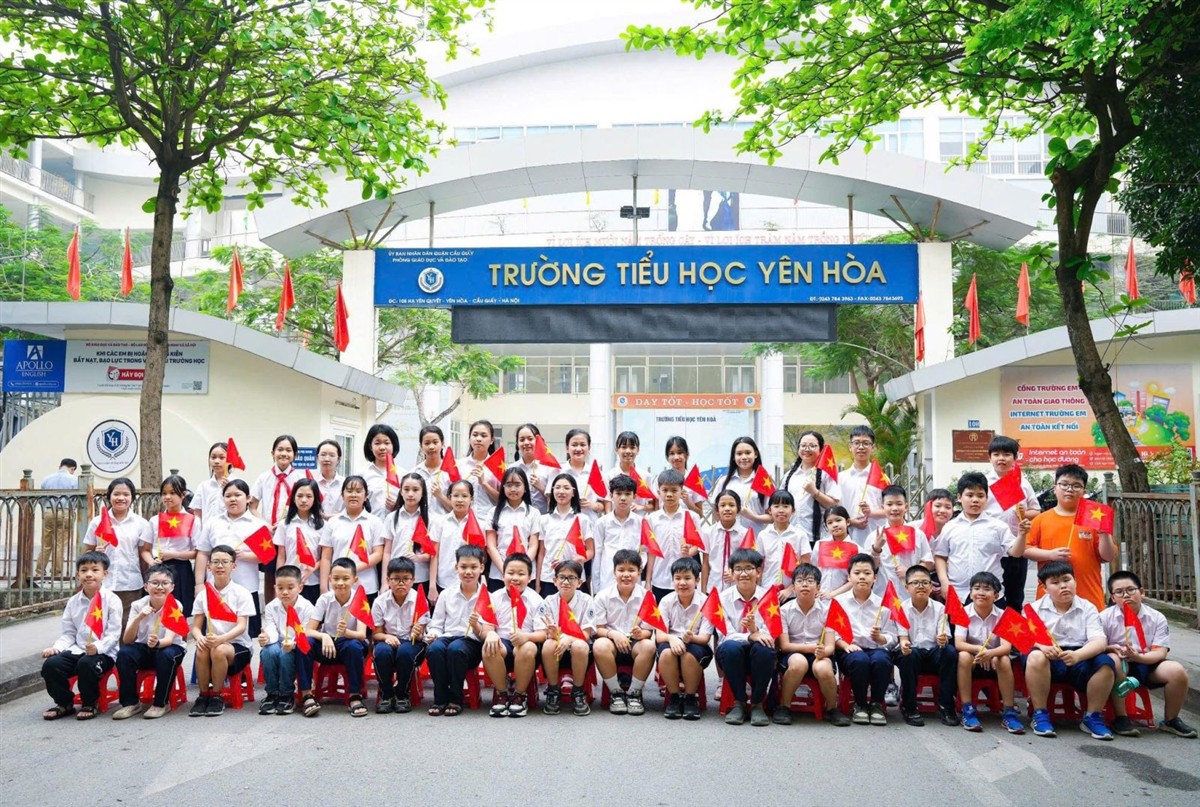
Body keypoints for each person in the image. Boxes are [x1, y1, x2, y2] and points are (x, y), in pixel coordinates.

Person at [1025, 561, 1115, 740]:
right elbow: (1023, 639)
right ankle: (1040, 714)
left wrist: (1078, 655)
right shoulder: (1033, 609)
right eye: (1055, 582)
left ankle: (1092, 717)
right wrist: (1042, 647)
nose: (1063, 586)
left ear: (1075, 581)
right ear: (1045, 588)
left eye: (1067, 580)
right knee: (1035, 656)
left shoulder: (1088, 607)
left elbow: (1099, 641)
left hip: (1079, 656)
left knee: (1106, 664)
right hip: (1048, 657)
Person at [1101, 570, 1196, 738]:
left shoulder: (1157, 617)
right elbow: (1098, 645)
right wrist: (1112, 648)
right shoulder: (1104, 617)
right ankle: (1121, 717)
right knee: (1114, 660)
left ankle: (1171, 720)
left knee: (1177, 671)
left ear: (1142, 592)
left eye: (1131, 590)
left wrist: (1138, 657)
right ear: (1113, 597)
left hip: (1148, 662)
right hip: (1118, 664)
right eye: (1119, 592)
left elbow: (1160, 652)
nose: (1126, 595)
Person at [39, 551, 122, 720]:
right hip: (78, 649)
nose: (89, 574)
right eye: (84, 570)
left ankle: (90, 703)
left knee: (86, 664)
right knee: (51, 665)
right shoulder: (73, 602)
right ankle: (64, 703)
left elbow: (113, 634)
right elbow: (69, 633)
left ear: (105, 574)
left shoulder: (112, 600)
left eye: (95, 570)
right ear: (78, 574)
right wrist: (56, 648)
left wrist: (97, 647)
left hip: (104, 653)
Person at [1022, 464, 1115, 610]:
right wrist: (1050, 554)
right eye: (1064, 484)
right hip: (1050, 600)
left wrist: (1104, 534)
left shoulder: (1094, 518)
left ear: (1084, 491)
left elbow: (1108, 556)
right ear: (1055, 488)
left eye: (1076, 486)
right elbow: (1024, 549)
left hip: (1088, 596)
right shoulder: (1041, 519)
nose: (1069, 489)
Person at [934, 472, 1027, 606]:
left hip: (991, 594)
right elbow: (940, 556)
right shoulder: (950, 527)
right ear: (959, 497)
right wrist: (944, 582)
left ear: (987, 498)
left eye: (980, 495)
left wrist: (1022, 535)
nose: (975, 500)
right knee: (957, 621)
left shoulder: (998, 526)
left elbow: (1016, 553)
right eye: (970, 495)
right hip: (958, 594)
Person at [112, 564, 189, 719]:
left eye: (165, 583)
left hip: (170, 647)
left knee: (166, 655)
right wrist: (139, 617)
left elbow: (169, 639)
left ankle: (161, 703)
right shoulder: (138, 605)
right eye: (155, 583)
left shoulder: (175, 605)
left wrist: (158, 643)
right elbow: (127, 639)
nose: (159, 587)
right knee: (125, 653)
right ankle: (130, 703)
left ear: (172, 587)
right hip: (145, 647)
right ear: (146, 586)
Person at [194, 479, 267, 640]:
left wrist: (244, 555)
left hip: (246, 587)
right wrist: (199, 583)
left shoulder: (257, 524)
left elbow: (265, 556)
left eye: (237, 495)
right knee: (212, 634)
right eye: (228, 496)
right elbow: (203, 553)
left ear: (248, 498)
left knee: (247, 637)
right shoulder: (213, 522)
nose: (233, 499)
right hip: (215, 587)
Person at [189, 544, 255, 717]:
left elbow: (241, 626)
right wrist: (200, 638)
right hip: (212, 642)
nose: (220, 566)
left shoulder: (242, 593)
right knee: (202, 648)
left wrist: (221, 639)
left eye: (225, 562)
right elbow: (196, 627)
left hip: (238, 646)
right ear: (208, 566)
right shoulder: (203, 595)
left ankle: (216, 696)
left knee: (218, 650)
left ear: (234, 566)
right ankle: (203, 695)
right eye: (215, 562)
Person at [776, 563, 846, 726]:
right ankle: (784, 707)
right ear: (793, 587)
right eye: (800, 581)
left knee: (823, 667)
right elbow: (784, 646)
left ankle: (832, 708)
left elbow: (830, 646)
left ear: (818, 587)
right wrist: (811, 648)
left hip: (819, 654)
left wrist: (823, 652)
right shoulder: (784, 611)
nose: (805, 585)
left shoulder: (827, 611)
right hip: (793, 653)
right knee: (798, 663)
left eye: (810, 581)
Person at [954, 570, 1023, 733]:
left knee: (1004, 659)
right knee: (963, 656)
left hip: (994, 659)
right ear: (971, 594)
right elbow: (959, 644)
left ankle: (1009, 712)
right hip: (973, 658)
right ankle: (967, 709)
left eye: (987, 589)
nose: (981, 592)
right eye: (977, 588)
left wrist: (990, 654)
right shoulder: (963, 613)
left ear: (996, 596)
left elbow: (1006, 647)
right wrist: (980, 650)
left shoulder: (1004, 615)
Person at [480, 552, 546, 718]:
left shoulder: (537, 600)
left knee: (528, 648)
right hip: (503, 643)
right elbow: (486, 627)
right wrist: (491, 634)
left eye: (521, 574)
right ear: (503, 576)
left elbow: (543, 634)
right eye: (510, 573)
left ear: (529, 578)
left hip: (527, 644)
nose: (515, 578)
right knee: (489, 646)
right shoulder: (494, 597)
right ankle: (502, 694)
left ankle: (519, 695)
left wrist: (527, 637)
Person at [82, 477, 151, 635]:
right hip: (103, 584)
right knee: (103, 626)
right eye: (116, 494)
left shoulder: (141, 523)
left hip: (130, 584)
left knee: (127, 626)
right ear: (109, 496)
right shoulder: (97, 522)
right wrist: (95, 553)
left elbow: (143, 554)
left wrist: (145, 579)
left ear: (132, 497)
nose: (121, 498)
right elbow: (87, 554)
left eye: (126, 494)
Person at [832, 553, 896, 726]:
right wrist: (844, 645)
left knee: (882, 661)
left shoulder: (883, 605)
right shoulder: (839, 602)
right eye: (857, 573)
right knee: (859, 660)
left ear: (875, 578)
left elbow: (892, 637)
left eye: (867, 573)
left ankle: (876, 704)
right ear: (849, 577)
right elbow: (831, 632)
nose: (862, 577)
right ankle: (860, 704)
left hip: (876, 648)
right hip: (849, 649)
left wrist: (881, 638)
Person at [424, 545, 487, 717]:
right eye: (463, 567)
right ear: (456, 567)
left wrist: (476, 626)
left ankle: (455, 699)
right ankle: (440, 698)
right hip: (447, 637)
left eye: (473, 567)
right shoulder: (446, 594)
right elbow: (436, 624)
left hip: (472, 642)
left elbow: (487, 631)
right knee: (435, 649)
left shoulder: (487, 597)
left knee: (456, 649)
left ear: (482, 568)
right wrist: (433, 634)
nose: (468, 572)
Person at [592, 548, 656, 715]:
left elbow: (649, 631)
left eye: (631, 570)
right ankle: (616, 693)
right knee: (599, 645)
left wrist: (641, 633)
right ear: (614, 572)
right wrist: (613, 635)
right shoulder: (602, 596)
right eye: (621, 570)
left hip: (635, 643)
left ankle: (634, 693)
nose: (626, 575)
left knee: (649, 646)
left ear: (639, 572)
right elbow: (598, 629)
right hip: (612, 642)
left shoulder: (647, 597)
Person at [716, 547, 774, 727]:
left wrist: (755, 630)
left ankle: (757, 703)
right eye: (738, 569)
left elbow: (770, 634)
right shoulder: (722, 598)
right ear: (732, 573)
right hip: (731, 653)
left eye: (749, 568)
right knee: (731, 648)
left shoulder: (769, 598)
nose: (743, 573)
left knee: (765, 649)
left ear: (759, 571)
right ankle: (739, 702)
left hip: (759, 652)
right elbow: (725, 635)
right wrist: (751, 636)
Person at [306, 557, 370, 717]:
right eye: (336, 578)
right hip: (328, 646)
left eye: (345, 578)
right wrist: (324, 636)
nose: (340, 583)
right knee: (305, 643)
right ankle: (307, 695)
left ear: (355, 580)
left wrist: (346, 633)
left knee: (353, 646)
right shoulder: (324, 599)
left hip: (351, 645)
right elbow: (308, 630)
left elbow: (361, 635)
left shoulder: (360, 599)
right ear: (329, 579)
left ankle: (354, 696)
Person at [894, 565, 957, 727]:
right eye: (915, 583)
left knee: (950, 652)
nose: (920, 586)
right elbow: (903, 638)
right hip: (912, 653)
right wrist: (904, 644)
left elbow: (944, 636)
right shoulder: (902, 609)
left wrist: (942, 639)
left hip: (934, 653)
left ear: (931, 587)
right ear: (907, 587)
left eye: (925, 582)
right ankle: (909, 707)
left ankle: (946, 705)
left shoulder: (940, 608)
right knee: (910, 654)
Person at [984, 435, 1041, 611]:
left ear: (1015, 458)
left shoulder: (1023, 483)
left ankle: (1014, 628)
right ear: (990, 457)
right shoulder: (983, 483)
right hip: (991, 548)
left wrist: (1024, 513)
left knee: (1015, 597)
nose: (1001, 458)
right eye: (996, 454)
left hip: (1017, 546)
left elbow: (1036, 511)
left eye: (1007, 454)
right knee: (991, 594)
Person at [249, 433, 306, 601]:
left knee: (292, 571)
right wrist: (266, 524)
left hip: (292, 531)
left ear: (295, 454)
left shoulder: (300, 478)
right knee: (270, 575)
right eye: (280, 449)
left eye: (289, 450)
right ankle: (270, 609)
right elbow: (252, 506)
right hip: (269, 534)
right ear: (272, 452)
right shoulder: (263, 477)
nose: (284, 453)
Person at [655, 557, 713, 720]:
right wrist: (673, 639)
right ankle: (674, 697)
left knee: (688, 656)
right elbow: (660, 636)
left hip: (696, 644)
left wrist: (691, 638)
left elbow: (705, 638)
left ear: (697, 580)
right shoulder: (666, 601)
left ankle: (690, 698)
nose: (682, 583)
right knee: (667, 653)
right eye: (678, 578)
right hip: (671, 642)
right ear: (672, 580)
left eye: (687, 578)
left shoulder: (706, 602)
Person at [370, 557, 429, 714]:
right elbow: (376, 634)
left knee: (405, 652)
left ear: (413, 580)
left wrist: (417, 632)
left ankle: (402, 694)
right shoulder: (380, 602)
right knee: (382, 652)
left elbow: (421, 634)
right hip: (387, 640)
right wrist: (386, 637)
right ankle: (387, 694)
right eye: (396, 579)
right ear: (388, 580)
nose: (401, 583)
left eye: (406, 579)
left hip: (412, 642)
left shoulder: (419, 600)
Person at [538, 559, 595, 716]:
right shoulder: (548, 601)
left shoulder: (587, 601)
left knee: (579, 645)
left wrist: (568, 639)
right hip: (555, 651)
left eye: (571, 578)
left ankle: (578, 691)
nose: (566, 582)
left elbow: (586, 634)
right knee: (548, 644)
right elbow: (544, 633)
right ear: (554, 581)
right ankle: (553, 690)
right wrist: (552, 634)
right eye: (562, 577)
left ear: (580, 582)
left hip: (580, 651)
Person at [257, 564, 316, 715]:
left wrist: (292, 644)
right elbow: (271, 629)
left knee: (285, 654)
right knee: (268, 651)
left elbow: (304, 633)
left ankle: (286, 694)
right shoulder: (271, 607)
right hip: (278, 642)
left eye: (290, 588)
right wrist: (266, 637)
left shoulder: (307, 607)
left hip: (297, 645)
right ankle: (272, 693)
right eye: (280, 588)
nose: (285, 592)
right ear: (275, 588)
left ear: (300, 587)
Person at [140, 474, 200, 617]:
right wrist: (152, 562)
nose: (167, 497)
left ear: (183, 494)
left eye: (172, 493)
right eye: (164, 493)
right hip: (158, 568)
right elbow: (145, 550)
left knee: (179, 613)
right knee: (155, 611)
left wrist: (174, 554)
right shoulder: (155, 520)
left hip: (181, 570)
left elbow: (197, 552)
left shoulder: (193, 520)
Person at [319, 475, 384, 604]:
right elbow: (326, 557)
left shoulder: (375, 522)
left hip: (365, 586)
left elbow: (378, 554)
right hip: (337, 586)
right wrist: (324, 587)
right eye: (349, 491)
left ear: (366, 496)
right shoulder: (333, 522)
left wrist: (352, 569)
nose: (353, 495)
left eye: (358, 491)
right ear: (342, 495)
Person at [869, 484, 933, 596]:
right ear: (883, 507)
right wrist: (876, 549)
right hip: (884, 595)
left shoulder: (917, 534)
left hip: (912, 596)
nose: (894, 508)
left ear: (906, 506)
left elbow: (928, 562)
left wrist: (910, 572)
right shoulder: (874, 536)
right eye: (889, 504)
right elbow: (868, 568)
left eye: (899, 504)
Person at [646, 469, 699, 602]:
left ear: (681, 492)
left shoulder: (691, 516)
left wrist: (689, 552)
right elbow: (651, 552)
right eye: (665, 490)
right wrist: (648, 581)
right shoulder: (651, 519)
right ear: (658, 492)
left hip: (685, 579)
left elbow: (697, 546)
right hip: (660, 579)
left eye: (674, 490)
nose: (669, 494)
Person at [782, 431, 841, 547]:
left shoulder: (826, 474)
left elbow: (834, 505)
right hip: (791, 536)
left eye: (812, 446)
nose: (807, 449)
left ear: (820, 449)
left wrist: (814, 492)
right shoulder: (789, 476)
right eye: (803, 445)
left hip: (817, 537)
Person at [537, 474, 592, 598]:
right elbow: (541, 553)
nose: (561, 491)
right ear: (552, 491)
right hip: (549, 577)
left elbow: (590, 551)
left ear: (573, 493)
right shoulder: (544, 520)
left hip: (575, 577)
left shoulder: (582, 519)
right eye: (557, 487)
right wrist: (538, 582)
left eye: (566, 488)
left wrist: (573, 561)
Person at [485, 467, 541, 591]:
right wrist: (505, 570)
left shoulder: (533, 513)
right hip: (498, 574)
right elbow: (491, 546)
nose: (513, 489)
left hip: (525, 576)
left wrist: (522, 568)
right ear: (503, 487)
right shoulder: (493, 512)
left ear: (525, 488)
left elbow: (533, 546)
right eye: (509, 485)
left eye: (517, 484)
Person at [273, 478, 325, 605]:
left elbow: (325, 556)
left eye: (309, 496)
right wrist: (279, 580)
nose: (304, 500)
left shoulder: (323, 525)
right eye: (300, 496)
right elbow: (281, 556)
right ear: (293, 498)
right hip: (289, 584)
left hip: (313, 580)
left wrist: (311, 569)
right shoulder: (284, 525)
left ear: (315, 499)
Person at [383, 472, 435, 593]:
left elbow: (433, 553)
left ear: (423, 492)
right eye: (406, 489)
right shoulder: (391, 518)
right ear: (401, 492)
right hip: (395, 578)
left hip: (420, 577)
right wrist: (384, 583)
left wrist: (418, 557)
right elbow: (387, 552)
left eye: (415, 490)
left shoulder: (431, 520)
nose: (410, 494)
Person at [592, 474, 642, 594]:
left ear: (634, 496)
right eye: (618, 493)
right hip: (607, 577)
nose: (623, 498)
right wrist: (596, 587)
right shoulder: (602, 523)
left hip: (632, 578)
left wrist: (638, 569)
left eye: (628, 494)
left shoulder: (641, 522)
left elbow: (644, 551)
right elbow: (597, 553)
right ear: (611, 496)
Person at [838, 426, 885, 548]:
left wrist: (871, 513)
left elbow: (889, 510)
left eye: (866, 443)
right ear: (850, 446)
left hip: (875, 538)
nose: (861, 447)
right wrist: (850, 521)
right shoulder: (841, 478)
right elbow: (836, 509)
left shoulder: (881, 478)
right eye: (857, 443)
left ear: (873, 447)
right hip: (848, 537)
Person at [710, 436, 771, 529]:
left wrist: (753, 517)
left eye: (748, 453)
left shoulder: (764, 482)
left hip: (754, 536)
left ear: (755, 454)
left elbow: (773, 516)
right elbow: (715, 510)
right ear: (733, 457)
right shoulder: (724, 482)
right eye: (739, 454)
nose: (744, 457)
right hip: (730, 536)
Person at [757, 489, 809, 594]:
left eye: (785, 506)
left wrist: (790, 589)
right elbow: (760, 565)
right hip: (767, 589)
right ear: (769, 510)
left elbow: (806, 565)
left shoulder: (800, 535)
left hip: (792, 593)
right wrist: (758, 588)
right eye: (776, 506)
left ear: (793, 510)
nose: (781, 510)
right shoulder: (763, 535)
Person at [432, 479, 477, 594]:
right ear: (449, 497)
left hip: (470, 582)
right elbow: (434, 555)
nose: (460, 500)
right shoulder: (440, 522)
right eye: (456, 495)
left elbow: (482, 556)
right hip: (444, 581)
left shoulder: (479, 524)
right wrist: (432, 586)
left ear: (471, 499)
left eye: (464, 496)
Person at [37, 458, 78, 579]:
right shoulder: (75, 480)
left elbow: (41, 498)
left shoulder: (47, 478)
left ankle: (39, 572)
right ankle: (56, 574)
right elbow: (77, 499)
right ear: (72, 469)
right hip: (65, 512)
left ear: (60, 466)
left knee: (46, 544)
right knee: (60, 544)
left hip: (49, 511)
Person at [702, 488, 749, 592]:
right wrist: (703, 591)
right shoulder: (708, 532)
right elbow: (705, 563)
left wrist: (737, 575)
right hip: (713, 587)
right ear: (717, 509)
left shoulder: (745, 534)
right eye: (723, 505)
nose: (727, 509)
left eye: (731, 505)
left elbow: (748, 562)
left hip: (737, 588)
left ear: (738, 509)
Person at [459, 419, 501, 523]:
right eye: (475, 435)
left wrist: (484, 483)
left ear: (492, 440)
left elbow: (504, 499)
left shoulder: (498, 466)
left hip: (489, 521)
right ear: (469, 438)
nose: (478, 439)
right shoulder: (459, 465)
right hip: (464, 521)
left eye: (483, 435)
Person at [511, 423, 556, 515]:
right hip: (519, 517)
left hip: (544, 518)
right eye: (522, 440)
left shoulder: (549, 467)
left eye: (530, 439)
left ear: (538, 441)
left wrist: (542, 488)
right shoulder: (512, 468)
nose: (526, 443)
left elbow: (558, 498)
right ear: (517, 443)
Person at [410, 424, 453, 519]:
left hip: (444, 523)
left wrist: (440, 495)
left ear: (442, 443)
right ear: (421, 446)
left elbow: (458, 509)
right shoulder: (415, 473)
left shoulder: (451, 472)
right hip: (419, 523)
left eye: (435, 442)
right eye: (427, 443)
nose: (431, 447)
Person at [606, 430, 654, 514]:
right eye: (624, 447)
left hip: (638, 520)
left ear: (638, 450)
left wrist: (641, 507)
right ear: (616, 450)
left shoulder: (645, 476)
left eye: (632, 447)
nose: (628, 451)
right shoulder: (609, 476)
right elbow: (608, 505)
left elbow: (653, 505)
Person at [813, 506, 855, 600]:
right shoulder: (819, 545)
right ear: (825, 526)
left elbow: (854, 580)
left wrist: (833, 594)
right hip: (819, 598)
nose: (835, 525)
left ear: (848, 522)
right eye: (830, 522)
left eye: (838, 520)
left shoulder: (856, 548)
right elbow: (813, 570)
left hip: (843, 599)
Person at [190, 442, 236, 523]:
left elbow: (242, 511)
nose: (216, 461)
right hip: (207, 530)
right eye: (213, 457)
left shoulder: (238, 484)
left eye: (222, 457)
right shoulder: (203, 486)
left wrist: (229, 490)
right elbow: (197, 514)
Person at [361, 424, 401, 515]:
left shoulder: (404, 475)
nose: (382, 448)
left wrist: (397, 506)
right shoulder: (362, 474)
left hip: (396, 522)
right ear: (370, 446)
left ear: (393, 445)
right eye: (377, 443)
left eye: (387, 443)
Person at [662, 436, 705, 517]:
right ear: (667, 457)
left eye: (680, 453)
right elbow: (656, 510)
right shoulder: (661, 480)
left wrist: (688, 502)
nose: (676, 457)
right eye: (672, 453)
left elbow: (700, 514)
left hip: (687, 524)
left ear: (687, 455)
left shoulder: (694, 480)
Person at [314, 439, 345, 517]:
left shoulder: (345, 484)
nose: (327, 459)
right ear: (317, 457)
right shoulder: (312, 483)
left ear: (338, 459)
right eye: (323, 455)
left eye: (332, 455)